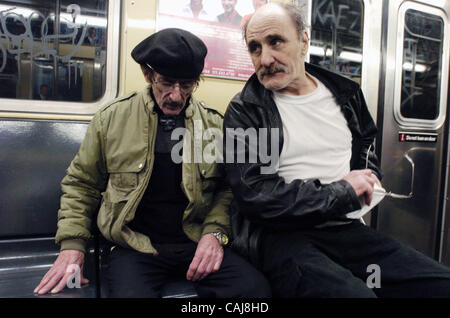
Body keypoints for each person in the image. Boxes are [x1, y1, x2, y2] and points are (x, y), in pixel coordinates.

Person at [223, 3, 450, 297]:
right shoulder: (247, 110)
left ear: (304, 41)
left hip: (346, 229)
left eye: (275, 41)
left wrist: (369, 180)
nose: (265, 58)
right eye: (255, 48)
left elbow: (366, 150)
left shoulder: (347, 95)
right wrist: (343, 191)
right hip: (282, 237)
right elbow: (257, 195)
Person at [34, 28, 270, 298]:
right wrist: (72, 246)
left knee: (255, 292)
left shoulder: (214, 124)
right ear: (148, 75)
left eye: (187, 84)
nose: (176, 96)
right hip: (135, 246)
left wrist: (214, 233)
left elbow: (227, 190)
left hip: (195, 241)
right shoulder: (111, 119)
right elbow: (81, 185)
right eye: (166, 82)